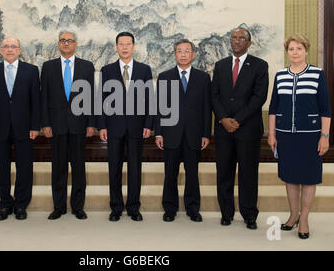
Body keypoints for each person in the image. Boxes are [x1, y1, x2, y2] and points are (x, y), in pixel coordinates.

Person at [268, 34, 331, 239]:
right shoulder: (280, 75)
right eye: (291, 49)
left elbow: (325, 109)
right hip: (285, 136)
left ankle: (304, 218)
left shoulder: (317, 74)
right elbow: (273, 108)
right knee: (290, 178)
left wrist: (324, 136)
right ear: (287, 52)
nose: (295, 52)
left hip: (311, 136)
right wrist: (272, 134)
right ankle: (293, 214)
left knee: (309, 179)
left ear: (306, 50)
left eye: (299, 49)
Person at [211, 27, 269, 230]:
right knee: (224, 173)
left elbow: (259, 97)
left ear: (249, 43)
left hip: (248, 129)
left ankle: (249, 214)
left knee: (248, 174)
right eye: (233, 38)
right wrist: (223, 119)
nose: (236, 41)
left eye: (241, 38)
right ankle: (226, 213)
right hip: (223, 129)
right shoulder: (220, 65)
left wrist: (238, 120)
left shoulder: (260, 66)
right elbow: (214, 96)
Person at [97, 31, 153, 222]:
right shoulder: (107, 70)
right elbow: (101, 100)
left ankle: (134, 208)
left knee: (135, 169)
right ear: (116, 46)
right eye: (121, 44)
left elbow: (149, 100)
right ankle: (116, 207)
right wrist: (102, 126)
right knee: (114, 168)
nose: (125, 47)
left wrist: (148, 124)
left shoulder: (144, 70)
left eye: (128, 44)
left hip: (137, 127)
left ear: (133, 46)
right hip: (113, 127)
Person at [0, 36, 40, 221]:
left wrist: (35, 126)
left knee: (24, 167)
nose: (9, 49)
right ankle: (5, 204)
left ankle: (21, 205)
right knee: (2, 167)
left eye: (13, 46)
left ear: (19, 50)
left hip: (25, 127)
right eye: (6, 46)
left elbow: (35, 101)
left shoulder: (31, 71)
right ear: (0, 50)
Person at [155, 39, 212, 222]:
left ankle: (192, 208)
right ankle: (169, 209)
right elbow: (159, 107)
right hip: (171, 134)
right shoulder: (164, 76)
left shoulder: (203, 78)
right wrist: (159, 132)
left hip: (194, 135)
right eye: (180, 51)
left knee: (192, 174)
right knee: (170, 174)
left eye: (187, 51)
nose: (184, 54)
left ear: (193, 54)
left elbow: (206, 108)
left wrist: (205, 133)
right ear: (175, 54)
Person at [41, 31, 95, 220]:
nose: (66, 43)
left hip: (79, 125)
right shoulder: (47, 67)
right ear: (58, 44)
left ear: (76, 44)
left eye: (69, 40)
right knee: (58, 168)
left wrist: (91, 123)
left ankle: (78, 207)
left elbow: (90, 97)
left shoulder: (86, 67)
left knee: (79, 168)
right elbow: (44, 97)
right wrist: (45, 123)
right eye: (62, 40)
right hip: (56, 126)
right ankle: (59, 206)